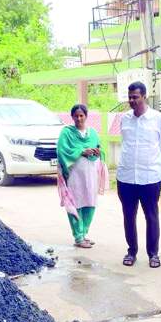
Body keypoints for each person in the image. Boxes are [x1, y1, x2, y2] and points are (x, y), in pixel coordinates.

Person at [117, 81, 161, 269]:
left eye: (135, 97)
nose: (131, 100)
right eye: (129, 97)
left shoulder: (158, 119)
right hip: (127, 176)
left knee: (151, 215)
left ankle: (153, 254)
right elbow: (125, 143)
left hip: (150, 177)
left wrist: (151, 164)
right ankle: (131, 251)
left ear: (144, 96)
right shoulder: (124, 118)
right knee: (128, 216)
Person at [56, 104, 108, 248]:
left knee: (90, 202)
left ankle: (84, 233)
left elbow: (100, 149)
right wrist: (81, 151)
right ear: (72, 117)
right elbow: (62, 150)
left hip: (91, 174)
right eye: (76, 116)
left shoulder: (93, 133)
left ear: (86, 116)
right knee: (76, 203)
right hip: (74, 175)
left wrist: (97, 152)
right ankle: (78, 237)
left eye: (81, 115)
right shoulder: (66, 133)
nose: (79, 118)